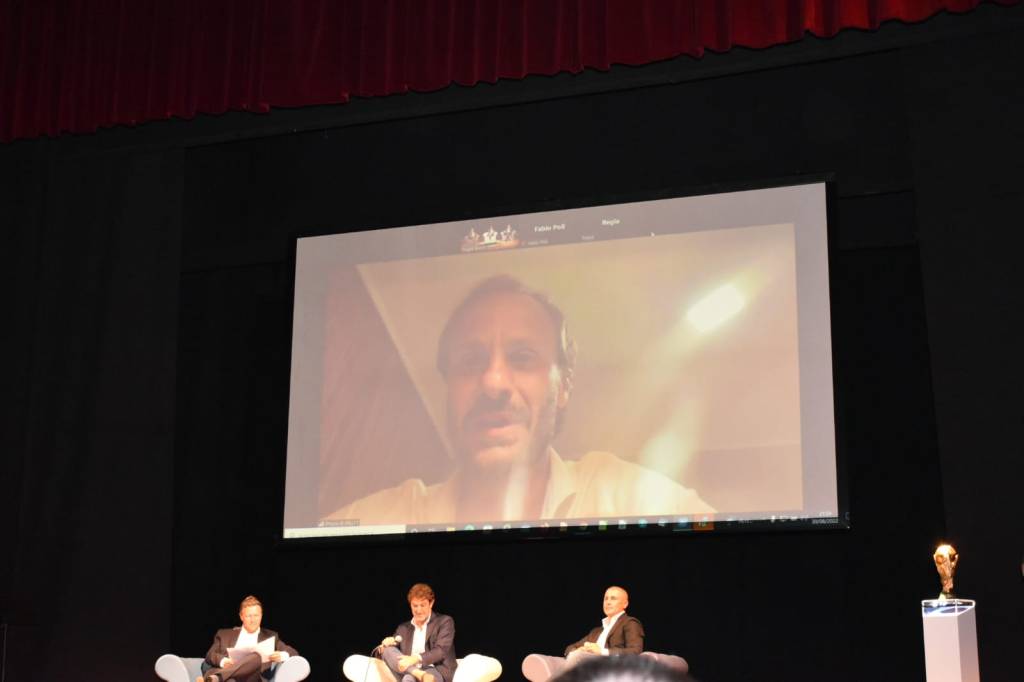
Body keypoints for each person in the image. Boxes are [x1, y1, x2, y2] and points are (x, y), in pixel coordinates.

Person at [324, 274, 713, 526]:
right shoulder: (383, 517)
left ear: (563, 387)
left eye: (522, 358)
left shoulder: (627, 496)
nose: (493, 382)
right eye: (470, 361)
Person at [199, 595, 298, 682]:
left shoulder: (270, 636)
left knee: (256, 657)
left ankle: (216, 678)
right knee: (231, 680)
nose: (253, 620)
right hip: (230, 678)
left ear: (261, 616)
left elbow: (293, 653)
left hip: (253, 678)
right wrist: (223, 661)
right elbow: (210, 654)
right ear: (241, 617)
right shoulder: (224, 634)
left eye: (256, 615)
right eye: (248, 616)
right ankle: (218, 678)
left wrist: (282, 655)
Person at [378, 583, 457, 682]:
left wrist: (415, 658)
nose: (418, 610)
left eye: (422, 605)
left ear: (431, 603)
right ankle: (418, 674)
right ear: (410, 605)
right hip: (409, 670)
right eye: (415, 606)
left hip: (435, 670)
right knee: (387, 650)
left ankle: (418, 674)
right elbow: (390, 654)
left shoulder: (444, 621)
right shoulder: (403, 629)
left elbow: (441, 651)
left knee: (411, 678)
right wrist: (385, 645)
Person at [564, 586, 644, 663]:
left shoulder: (630, 623)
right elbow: (570, 648)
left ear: (625, 604)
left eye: (613, 598)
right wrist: (579, 650)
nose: (608, 602)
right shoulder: (596, 632)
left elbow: (635, 651)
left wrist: (602, 651)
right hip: (586, 664)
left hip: (611, 666)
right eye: (606, 599)